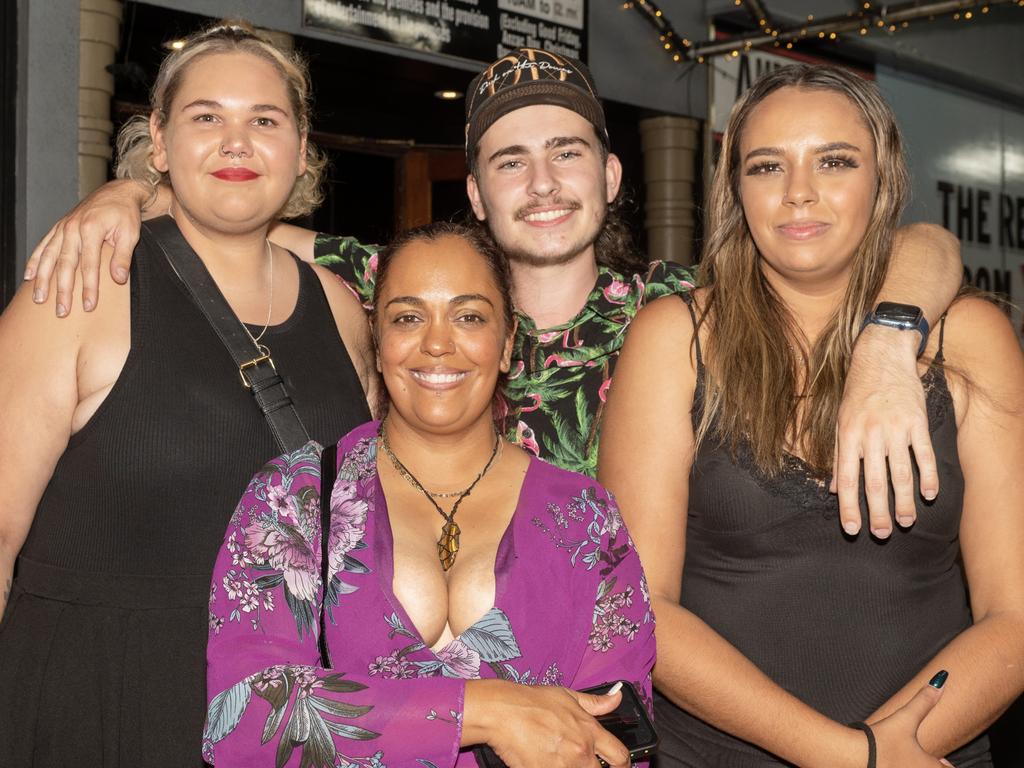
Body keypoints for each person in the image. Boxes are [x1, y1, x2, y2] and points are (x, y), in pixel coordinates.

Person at [27, 48, 962, 533]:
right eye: (510, 161)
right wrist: (130, 190)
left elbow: (920, 243)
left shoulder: (685, 307)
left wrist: (888, 337)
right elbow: (235, 208)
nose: (543, 183)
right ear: (474, 194)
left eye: (567, 154)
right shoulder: (398, 292)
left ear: (610, 178)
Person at [599, 64, 1024, 767]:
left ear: (882, 180)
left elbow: (1012, 617)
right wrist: (847, 756)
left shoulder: (971, 340)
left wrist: (892, 751)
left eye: (834, 160)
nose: (799, 192)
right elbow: (641, 607)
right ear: (735, 190)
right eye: (768, 166)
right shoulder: (675, 338)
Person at [0, 24, 377, 766]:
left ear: (301, 151)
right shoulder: (79, 290)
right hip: (97, 705)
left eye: (264, 121)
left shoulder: (339, 307)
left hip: (285, 718)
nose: (236, 143)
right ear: (161, 146)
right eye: (207, 117)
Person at [202, 221, 655, 767]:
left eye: (469, 316)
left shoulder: (586, 519)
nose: (437, 343)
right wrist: (486, 710)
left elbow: (615, 737)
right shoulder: (290, 499)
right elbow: (241, 716)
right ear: (378, 340)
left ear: (509, 341)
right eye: (408, 317)